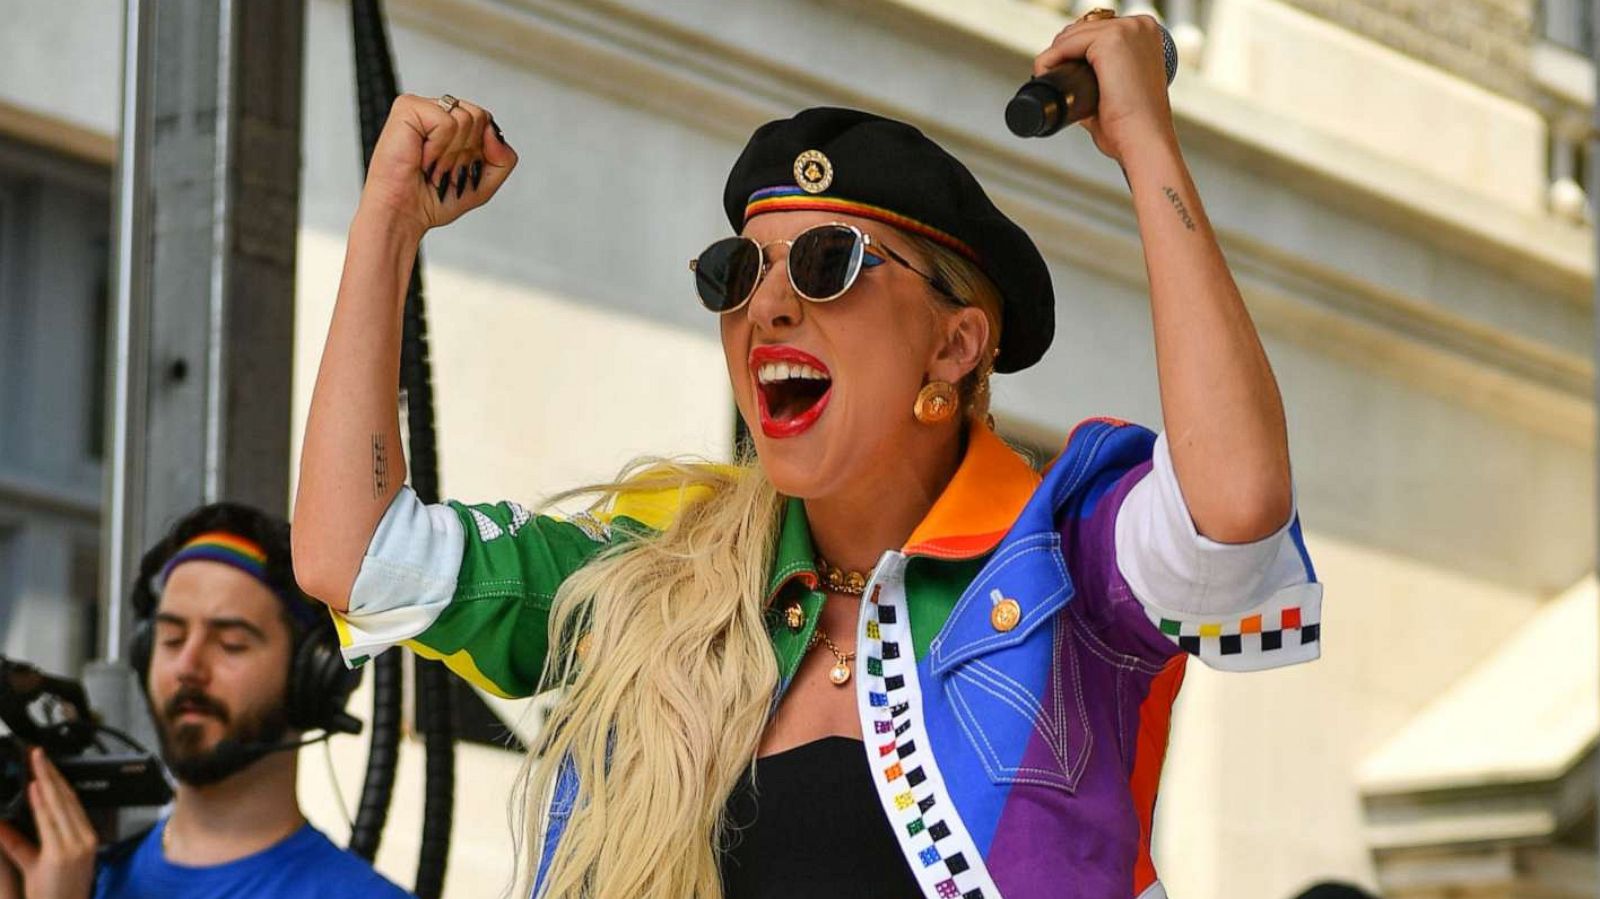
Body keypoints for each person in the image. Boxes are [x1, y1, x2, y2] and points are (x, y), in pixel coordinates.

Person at [294, 9, 1322, 899]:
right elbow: (356, 555)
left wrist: (1145, 146)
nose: (769, 303)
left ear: (955, 344)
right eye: (738, 270)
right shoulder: (663, 576)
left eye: (830, 264)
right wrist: (386, 224)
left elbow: (1233, 506)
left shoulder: (1063, 558)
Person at [0, 503, 410, 898]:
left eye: (231, 644)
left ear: (311, 677)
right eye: (172, 639)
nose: (188, 666)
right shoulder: (63, 879)